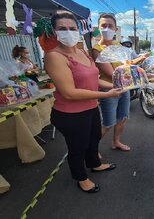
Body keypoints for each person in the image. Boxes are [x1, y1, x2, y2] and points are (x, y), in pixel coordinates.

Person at [44, 11, 122, 193]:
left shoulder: (82, 52)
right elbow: (69, 93)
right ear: (54, 32)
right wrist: (106, 95)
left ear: (78, 30)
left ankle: (95, 164)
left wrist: (115, 85)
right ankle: (81, 178)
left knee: (93, 140)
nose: (68, 32)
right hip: (70, 114)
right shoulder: (54, 56)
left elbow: (94, 78)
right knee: (78, 147)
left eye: (72, 28)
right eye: (62, 28)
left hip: (91, 108)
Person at [91, 13, 131, 152]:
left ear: (116, 29)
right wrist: (135, 75)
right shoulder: (97, 49)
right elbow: (111, 73)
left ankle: (116, 142)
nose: (107, 28)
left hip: (124, 88)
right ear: (99, 27)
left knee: (122, 118)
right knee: (108, 123)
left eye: (110, 26)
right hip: (108, 90)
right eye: (104, 25)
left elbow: (127, 64)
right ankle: (92, 151)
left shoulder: (117, 45)